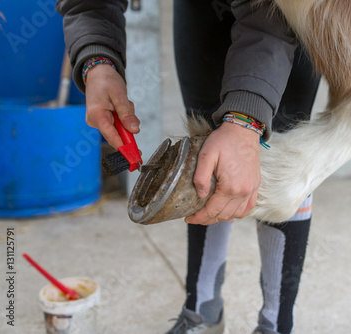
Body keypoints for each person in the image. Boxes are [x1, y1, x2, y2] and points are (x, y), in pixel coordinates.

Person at [56, 0, 320, 333]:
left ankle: (277, 323)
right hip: (200, 8)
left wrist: (246, 120)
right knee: (203, 146)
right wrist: (97, 59)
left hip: (288, 10)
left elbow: (270, 19)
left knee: (284, 157)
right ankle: (203, 311)